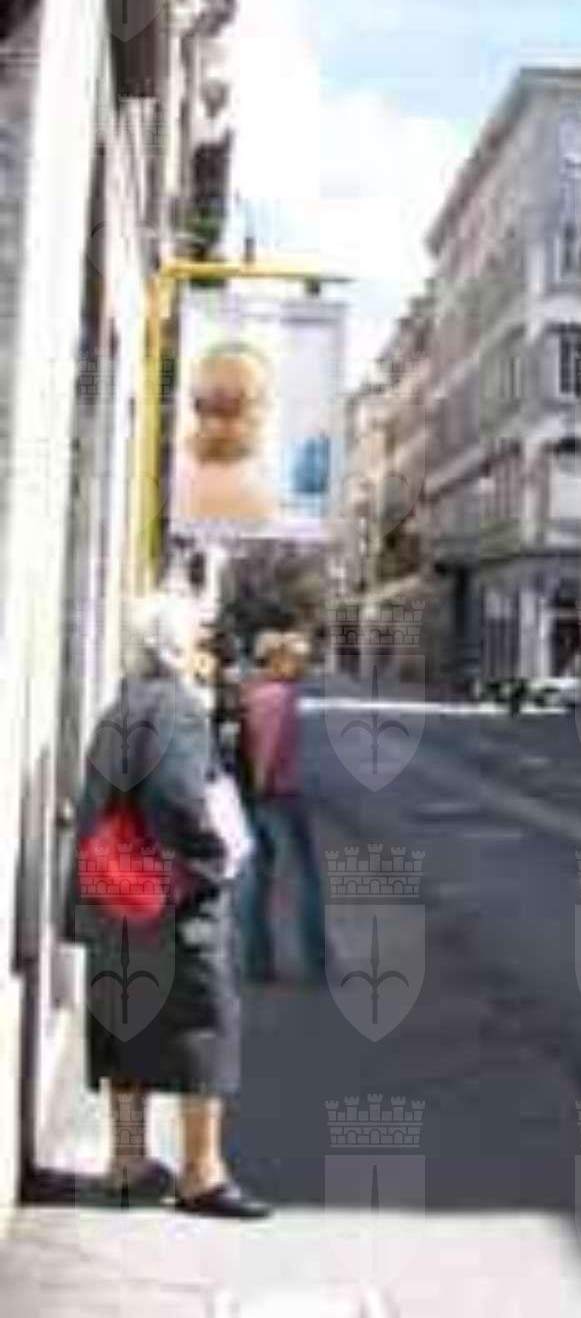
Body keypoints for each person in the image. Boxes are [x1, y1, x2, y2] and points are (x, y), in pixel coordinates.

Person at [66, 593, 270, 1218]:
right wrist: (213, 859)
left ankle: (127, 1162)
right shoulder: (179, 710)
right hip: (170, 902)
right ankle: (201, 1173)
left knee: (125, 1026)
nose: (204, 652)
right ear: (178, 648)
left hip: (117, 897)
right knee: (205, 1026)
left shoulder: (120, 707)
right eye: (198, 641)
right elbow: (180, 801)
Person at [238, 631, 326, 983]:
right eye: (296, 658)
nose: (302, 665)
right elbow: (269, 748)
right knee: (305, 878)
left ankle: (257, 960)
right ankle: (315, 960)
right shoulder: (281, 697)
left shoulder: (254, 693)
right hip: (280, 796)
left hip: (257, 795)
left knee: (259, 877)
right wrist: (262, 787)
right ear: (277, 660)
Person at [176, 341, 277, 526]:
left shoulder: (261, 480)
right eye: (217, 402)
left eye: (239, 402)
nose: (225, 416)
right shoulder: (172, 473)